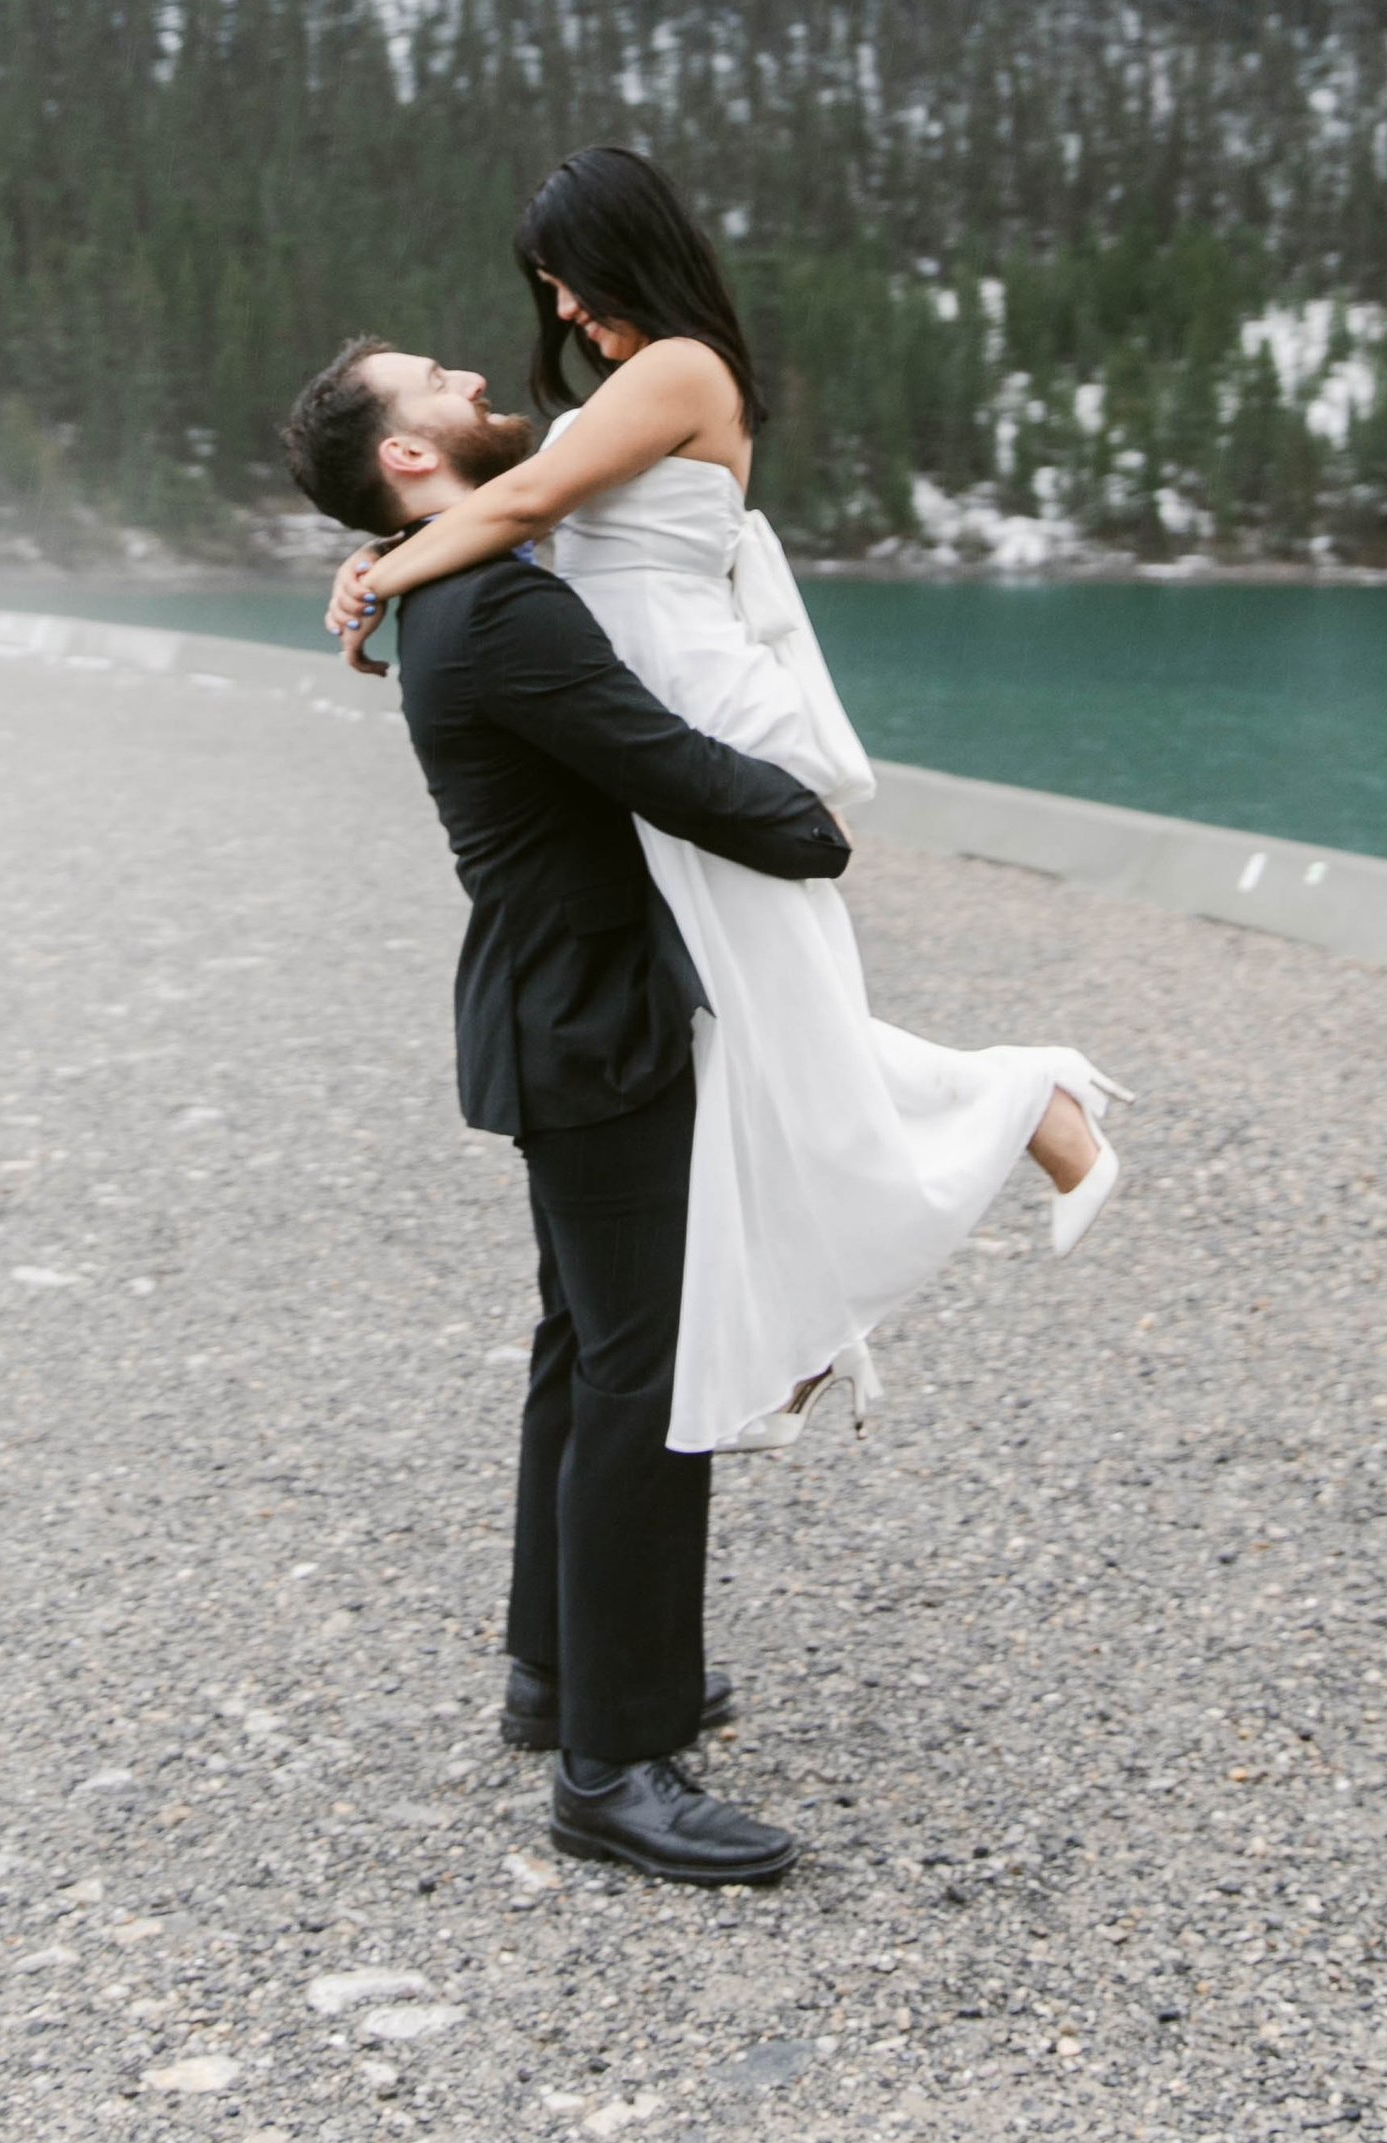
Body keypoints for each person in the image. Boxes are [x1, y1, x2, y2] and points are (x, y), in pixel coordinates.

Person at [324, 146, 1130, 1469]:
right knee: (745, 1040)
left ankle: (1028, 1104)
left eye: (569, 285)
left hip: (711, 727)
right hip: (649, 739)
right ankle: (805, 1328)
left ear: (624, 250)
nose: (566, 318)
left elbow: (516, 502)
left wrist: (384, 569)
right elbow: (481, 498)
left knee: (783, 1029)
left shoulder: (682, 370)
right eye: (549, 298)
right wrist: (368, 559)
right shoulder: (618, 395)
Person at [281, 335, 847, 1888]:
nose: (475, 377)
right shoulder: (497, 610)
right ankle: (615, 1761)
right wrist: (814, 830)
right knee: (643, 1379)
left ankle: (557, 1678)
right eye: (436, 385)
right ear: (409, 459)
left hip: (550, 1010)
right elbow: (663, 763)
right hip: (589, 1023)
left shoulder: (449, 582)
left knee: (581, 1351)